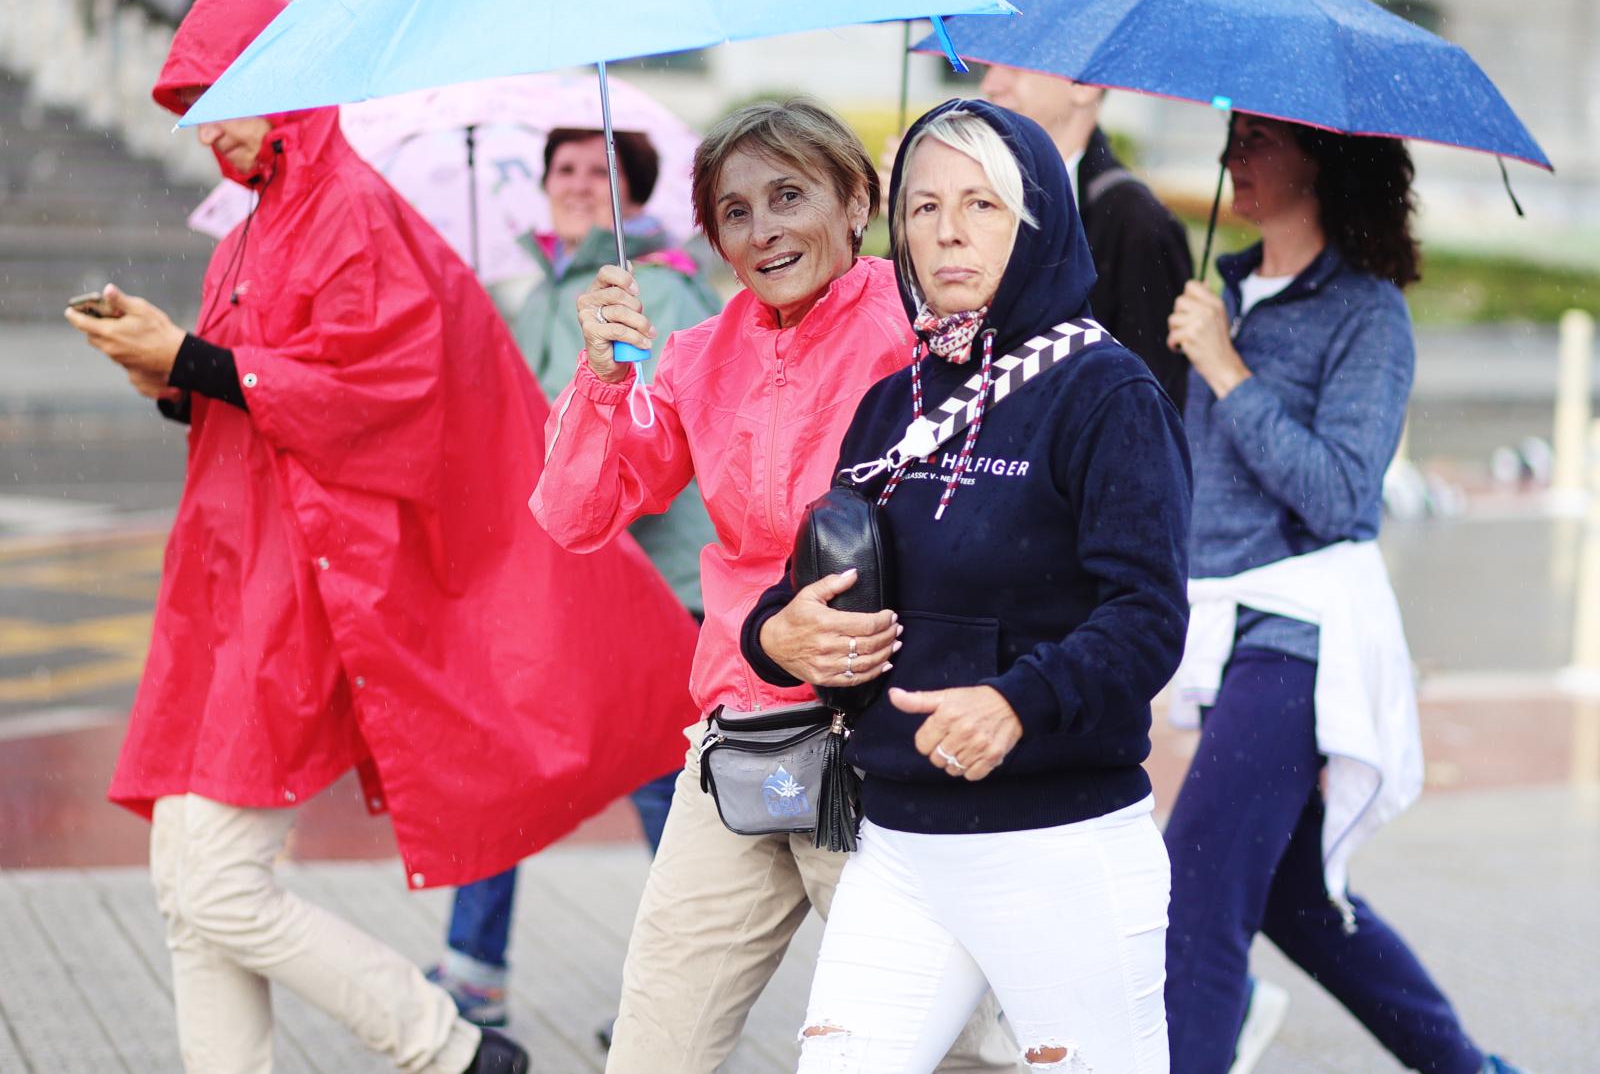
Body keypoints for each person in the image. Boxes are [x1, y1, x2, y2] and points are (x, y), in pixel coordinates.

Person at [65, 0, 699, 1074]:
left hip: (298, 588)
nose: (209, 129)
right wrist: (164, 370)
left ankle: (446, 1045)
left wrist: (194, 362)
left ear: (285, 84)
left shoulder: (349, 213)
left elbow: (383, 395)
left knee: (213, 878)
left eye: (226, 98)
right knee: (189, 884)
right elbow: (251, 388)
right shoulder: (261, 228)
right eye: (196, 106)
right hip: (231, 579)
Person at [530, 98, 1012, 1073]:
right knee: (652, 1047)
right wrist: (602, 379)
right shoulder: (696, 355)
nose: (765, 230)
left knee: (947, 1049)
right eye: (736, 211)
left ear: (854, 202)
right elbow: (575, 513)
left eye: (790, 195)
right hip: (743, 747)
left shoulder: (925, 334)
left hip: (884, 750)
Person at [742, 99, 1192, 1073]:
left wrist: (1014, 701)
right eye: (923, 206)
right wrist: (776, 637)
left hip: (1058, 848)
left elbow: (1148, 619)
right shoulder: (889, 402)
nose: (946, 232)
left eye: (982, 205)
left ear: (1036, 221)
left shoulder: (1103, 393)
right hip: (896, 843)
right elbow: (796, 590)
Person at [1162, 112, 1527, 1074]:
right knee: (1291, 892)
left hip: (1308, 626)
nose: (1230, 158)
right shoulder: (1221, 291)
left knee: (1197, 881)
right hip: (1226, 623)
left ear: (1323, 158)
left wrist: (1225, 368)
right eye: (1231, 138)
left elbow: (1339, 494)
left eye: (1256, 142)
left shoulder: (1368, 314)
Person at [431, 125, 723, 1026]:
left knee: (665, 791)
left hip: (645, 582)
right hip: (558, 577)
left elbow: (645, 449)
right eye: (564, 169)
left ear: (632, 194)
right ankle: (474, 970)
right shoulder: (531, 294)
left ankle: (676, 999)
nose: (579, 184)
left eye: (601, 171)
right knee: (506, 755)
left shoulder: (658, 289)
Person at [978, 63, 1192, 405]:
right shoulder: (974, 199)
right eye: (989, 67)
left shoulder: (1136, 223)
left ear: (1084, 86)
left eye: (1014, 67)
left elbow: (1148, 399)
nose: (990, 84)